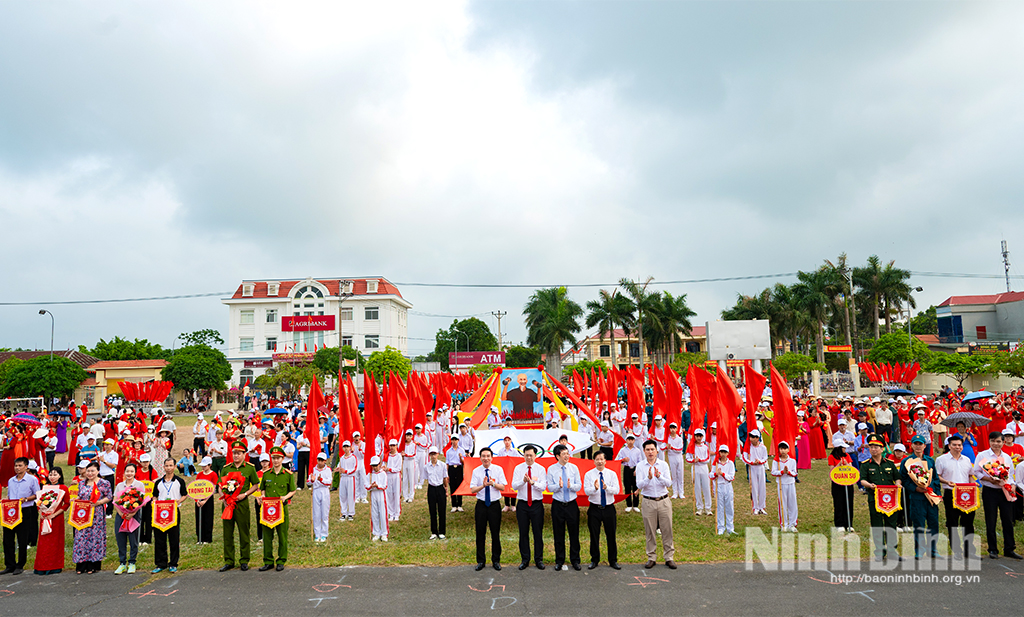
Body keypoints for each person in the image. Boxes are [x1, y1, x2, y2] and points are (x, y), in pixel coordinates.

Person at [973, 431, 1021, 559]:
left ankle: (1009, 549)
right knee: (991, 520)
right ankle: (993, 549)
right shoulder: (983, 455)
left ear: (1003, 442)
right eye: (993, 441)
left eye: (998, 441)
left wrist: (1012, 485)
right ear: (989, 442)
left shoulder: (1007, 457)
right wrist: (989, 479)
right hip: (990, 491)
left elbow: (1010, 475)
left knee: (1008, 520)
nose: (996, 444)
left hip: (1005, 490)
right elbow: (976, 472)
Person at [860, 435, 903, 562]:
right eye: (871, 447)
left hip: (891, 499)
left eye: (876, 447)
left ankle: (892, 551)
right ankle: (879, 551)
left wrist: (898, 483)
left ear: (882, 448)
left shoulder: (889, 463)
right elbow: (862, 480)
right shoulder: (865, 465)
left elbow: (897, 477)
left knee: (891, 524)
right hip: (875, 498)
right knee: (877, 525)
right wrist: (869, 485)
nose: (873, 449)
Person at [219, 440, 260, 572]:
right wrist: (224, 497)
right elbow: (220, 486)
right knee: (227, 533)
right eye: (234, 453)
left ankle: (244, 560)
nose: (236, 456)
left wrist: (246, 494)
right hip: (227, 505)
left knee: (244, 532)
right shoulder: (226, 468)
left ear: (244, 454)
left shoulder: (249, 468)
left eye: (239, 453)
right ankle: (229, 560)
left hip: (241, 503)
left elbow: (255, 485)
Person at [935, 434, 977, 560]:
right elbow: (937, 476)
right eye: (954, 445)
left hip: (967, 494)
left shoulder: (966, 460)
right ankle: (956, 550)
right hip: (951, 493)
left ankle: (969, 550)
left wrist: (972, 483)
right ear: (949, 446)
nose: (957, 447)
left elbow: (970, 475)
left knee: (968, 522)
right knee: (952, 522)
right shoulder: (941, 459)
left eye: (959, 445)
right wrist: (947, 482)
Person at [257, 447, 297, 571]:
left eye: (278, 458)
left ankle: (281, 560)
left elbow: (293, 490)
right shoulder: (267, 474)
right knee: (267, 536)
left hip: (281, 508)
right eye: (273, 458)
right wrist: (262, 495)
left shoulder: (288, 475)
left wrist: (286, 497)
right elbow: (262, 488)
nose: (275, 461)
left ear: (282, 459)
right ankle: (268, 561)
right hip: (267, 508)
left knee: (282, 535)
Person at [901, 435, 941, 559]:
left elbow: (935, 478)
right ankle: (919, 550)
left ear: (924, 446)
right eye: (916, 444)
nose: (918, 446)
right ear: (912, 445)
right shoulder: (906, 461)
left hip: (931, 497)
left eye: (920, 444)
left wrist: (935, 493)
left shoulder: (930, 460)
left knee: (933, 523)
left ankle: (933, 549)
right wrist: (916, 488)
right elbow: (904, 480)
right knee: (919, 524)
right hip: (916, 498)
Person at [637, 439, 674, 569]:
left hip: (663, 501)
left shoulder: (663, 465)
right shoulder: (640, 466)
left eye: (652, 449)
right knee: (650, 531)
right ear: (644, 451)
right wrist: (648, 478)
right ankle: (651, 557)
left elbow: (668, 483)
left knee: (667, 529)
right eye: (647, 450)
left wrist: (659, 477)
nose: (650, 452)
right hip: (648, 501)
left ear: (657, 450)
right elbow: (639, 485)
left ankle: (669, 557)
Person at [546, 443, 582, 571]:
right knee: (558, 533)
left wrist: (570, 485)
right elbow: (549, 487)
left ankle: (575, 560)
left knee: (574, 533)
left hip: (572, 504)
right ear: (557, 456)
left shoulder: (574, 468)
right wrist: (559, 486)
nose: (567, 456)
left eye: (568, 453)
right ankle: (559, 560)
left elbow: (579, 485)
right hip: (558, 505)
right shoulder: (551, 469)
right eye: (564, 454)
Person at [71, 461, 112, 574]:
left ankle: (93, 564)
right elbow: (81, 495)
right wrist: (75, 500)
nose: (90, 473)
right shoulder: (81, 483)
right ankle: (81, 564)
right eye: (88, 470)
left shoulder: (104, 483)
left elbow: (109, 497)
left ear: (98, 471)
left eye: (92, 470)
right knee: (81, 538)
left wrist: (99, 503)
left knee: (94, 538)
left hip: (96, 514)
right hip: (82, 514)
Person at [469, 447, 505, 571]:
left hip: (494, 505)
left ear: (492, 457)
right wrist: (483, 485)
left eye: (488, 456)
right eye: (483, 456)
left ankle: (496, 560)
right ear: (480, 458)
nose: (486, 458)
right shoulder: (476, 471)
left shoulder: (498, 469)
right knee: (480, 533)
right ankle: (480, 561)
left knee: (495, 533)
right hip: (481, 505)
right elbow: (473, 489)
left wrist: (493, 484)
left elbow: (503, 487)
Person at [511, 444, 547, 570]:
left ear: (535, 455)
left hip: (536, 504)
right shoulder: (518, 468)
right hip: (522, 504)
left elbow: (543, 486)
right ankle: (525, 559)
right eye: (526, 455)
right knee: (523, 533)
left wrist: (533, 482)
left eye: (531, 455)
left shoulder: (541, 469)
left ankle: (539, 559)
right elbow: (514, 486)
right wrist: (524, 481)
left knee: (537, 533)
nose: (529, 457)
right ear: (524, 455)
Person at [2, 457, 39, 575]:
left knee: (22, 538)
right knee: (7, 539)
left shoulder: (32, 479)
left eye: (20, 466)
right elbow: (9, 495)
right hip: (10, 510)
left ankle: (20, 564)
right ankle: (9, 564)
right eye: (16, 466)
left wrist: (26, 499)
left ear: (26, 467)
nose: (17, 468)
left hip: (25, 509)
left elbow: (37, 494)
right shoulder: (11, 480)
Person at [583, 450, 620, 569]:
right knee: (594, 535)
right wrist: (594, 488)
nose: (599, 461)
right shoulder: (589, 474)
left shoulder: (611, 474)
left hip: (609, 508)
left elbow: (617, 490)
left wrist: (607, 487)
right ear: (594, 461)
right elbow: (586, 491)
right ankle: (594, 559)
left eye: (601, 459)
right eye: (597, 459)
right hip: (594, 508)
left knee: (611, 535)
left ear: (605, 461)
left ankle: (613, 560)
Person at [32, 467, 69, 575]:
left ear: (60, 476)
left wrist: (54, 514)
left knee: (55, 541)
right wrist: (42, 513)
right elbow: (39, 502)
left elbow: (66, 503)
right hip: (44, 518)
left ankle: (55, 566)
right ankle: (41, 566)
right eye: (51, 474)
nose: (52, 476)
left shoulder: (63, 488)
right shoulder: (44, 487)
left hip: (56, 518)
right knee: (44, 541)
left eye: (55, 474)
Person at [112, 462, 145, 574]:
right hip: (121, 515)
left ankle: (132, 562)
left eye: (131, 471)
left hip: (133, 516)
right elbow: (115, 500)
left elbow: (141, 501)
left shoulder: (139, 485)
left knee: (133, 540)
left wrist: (133, 513)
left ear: (135, 472)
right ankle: (122, 563)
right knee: (120, 538)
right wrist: (121, 513)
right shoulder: (119, 485)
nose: (129, 473)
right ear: (124, 472)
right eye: (127, 471)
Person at [827, 435, 855, 532]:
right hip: (837, 484)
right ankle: (839, 524)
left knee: (849, 502)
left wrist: (847, 465)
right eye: (843, 447)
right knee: (839, 503)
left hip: (848, 482)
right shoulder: (831, 457)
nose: (845, 449)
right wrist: (838, 465)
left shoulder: (847, 456)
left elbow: (851, 467)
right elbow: (832, 471)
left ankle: (849, 524)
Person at [772, 442, 798, 531]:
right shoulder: (776, 461)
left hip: (790, 484)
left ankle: (792, 524)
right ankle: (784, 524)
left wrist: (789, 472)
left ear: (788, 450)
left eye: (785, 448)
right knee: (782, 504)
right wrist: (782, 472)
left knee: (792, 504)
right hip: (781, 484)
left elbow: (795, 473)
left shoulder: (792, 461)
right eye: (781, 449)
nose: (783, 451)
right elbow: (773, 472)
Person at [423, 446, 449, 539]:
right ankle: (434, 532)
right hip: (432, 488)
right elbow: (427, 479)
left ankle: (442, 531)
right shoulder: (426, 467)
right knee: (432, 510)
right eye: (432, 454)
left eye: (435, 454)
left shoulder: (442, 465)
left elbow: (445, 477)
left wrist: (446, 488)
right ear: (429, 455)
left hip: (440, 487)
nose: (433, 456)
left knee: (442, 510)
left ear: (438, 454)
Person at [710, 444, 736, 534]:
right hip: (719, 486)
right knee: (720, 507)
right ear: (719, 453)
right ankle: (721, 527)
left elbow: (732, 477)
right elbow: (711, 475)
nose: (723, 454)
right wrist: (715, 474)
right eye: (722, 452)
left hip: (728, 486)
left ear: (728, 453)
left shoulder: (730, 463)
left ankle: (730, 527)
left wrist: (723, 474)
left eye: (725, 452)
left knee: (729, 507)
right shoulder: (716, 463)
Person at [308, 451, 332, 542]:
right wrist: (312, 480)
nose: (320, 462)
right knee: (316, 513)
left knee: (324, 513)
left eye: (322, 460)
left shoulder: (328, 470)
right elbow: (308, 482)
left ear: (325, 461)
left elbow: (329, 482)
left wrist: (321, 480)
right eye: (319, 460)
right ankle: (317, 534)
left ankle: (324, 534)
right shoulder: (313, 469)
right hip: (316, 491)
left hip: (325, 491)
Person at [687, 428, 712, 515]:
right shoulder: (691, 446)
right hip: (695, 467)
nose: (698, 438)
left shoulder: (705, 447)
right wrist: (693, 460)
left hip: (703, 467)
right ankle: (699, 507)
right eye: (697, 436)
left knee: (706, 487)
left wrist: (700, 460)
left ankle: (708, 508)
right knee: (696, 487)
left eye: (700, 436)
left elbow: (708, 459)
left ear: (702, 437)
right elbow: (687, 457)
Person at [743, 430, 769, 515]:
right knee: (754, 487)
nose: (751, 439)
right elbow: (744, 457)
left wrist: (760, 461)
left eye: (753, 437)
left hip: (760, 468)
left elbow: (765, 458)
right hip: (752, 468)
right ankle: (755, 507)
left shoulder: (763, 447)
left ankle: (762, 507)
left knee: (762, 487)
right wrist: (751, 462)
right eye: (750, 437)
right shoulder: (748, 447)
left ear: (757, 438)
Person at [615, 434, 643, 512]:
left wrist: (636, 470)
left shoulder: (637, 450)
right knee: (627, 486)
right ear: (626, 440)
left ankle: (636, 505)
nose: (630, 441)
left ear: (634, 441)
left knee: (635, 486)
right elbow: (619, 459)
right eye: (629, 440)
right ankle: (629, 505)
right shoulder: (623, 450)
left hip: (634, 469)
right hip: (627, 469)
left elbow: (640, 461)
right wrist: (623, 459)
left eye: (632, 440)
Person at [194, 457, 217, 544]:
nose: (203, 468)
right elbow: (195, 486)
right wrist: (197, 500)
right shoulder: (199, 474)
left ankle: (207, 538)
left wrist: (205, 500)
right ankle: (200, 537)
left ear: (210, 465)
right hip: (199, 497)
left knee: (207, 518)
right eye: (202, 466)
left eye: (205, 466)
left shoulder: (213, 474)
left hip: (208, 499)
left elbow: (213, 489)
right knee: (199, 518)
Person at [365, 455, 389, 541]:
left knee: (382, 513)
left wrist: (377, 486)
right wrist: (371, 486)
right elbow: (366, 485)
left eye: (376, 465)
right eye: (373, 466)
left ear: (379, 464)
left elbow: (385, 485)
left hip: (381, 494)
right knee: (374, 513)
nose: (375, 467)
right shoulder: (370, 475)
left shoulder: (383, 474)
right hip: (373, 494)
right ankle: (376, 532)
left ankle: (384, 533)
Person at [336, 441, 358, 522]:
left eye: (347, 447)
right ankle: (344, 513)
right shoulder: (342, 458)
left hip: (350, 478)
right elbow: (339, 465)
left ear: (350, 447)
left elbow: (354, 468)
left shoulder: (353, 457)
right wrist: (338, 469)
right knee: (343, 495)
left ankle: (351, 513)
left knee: (350, 495)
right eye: (344, 447)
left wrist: (346, 471)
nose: (346, 448)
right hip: (343, 478)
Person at [98, 438, 119, 517]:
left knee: (109, 494)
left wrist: (104, 461)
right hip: (101, 475)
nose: (106, 446)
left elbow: (113, 465)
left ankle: (109, 512)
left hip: (109, 475)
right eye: (105, 444)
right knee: (100, 493)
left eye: (107, 444)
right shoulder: (101, 454)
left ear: (111, 446)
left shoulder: (114, 454)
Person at [446, 436, 465, 513]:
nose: (454, 442)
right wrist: (446, 474)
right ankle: (454, 505)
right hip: (451, 468)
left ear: (458, 440)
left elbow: (464, 462)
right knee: (452, 486)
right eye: (453, 440)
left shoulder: (461, 450)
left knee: (459, 486)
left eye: (455, 440)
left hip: (459, 468)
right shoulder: (448, 451)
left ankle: (459, 504)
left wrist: (461, 457)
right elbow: (447, 463)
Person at [385, 439, 403, 521]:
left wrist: (390, 469)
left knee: (396, 494)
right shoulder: (386, 456)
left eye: (393, 445)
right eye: (391, 446)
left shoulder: (398, 456)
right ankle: (391, 513)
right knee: (389, 494)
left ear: (396, 446)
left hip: (396, 476)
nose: (392, 447)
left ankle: (397, 513)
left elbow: (398, 468)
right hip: (388, 476)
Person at [666, 423, 685, 499]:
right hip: (671, 457)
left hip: (678, 457)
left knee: (680, 474)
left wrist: (672, 448)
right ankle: (675, 492)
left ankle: (681, 492)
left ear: (677, 429)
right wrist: (666, 447)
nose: (672, 429)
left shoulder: (679, 439)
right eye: (671, 428)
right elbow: (663, 447)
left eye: (674, 428)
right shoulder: (667, 438)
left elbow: (680, 449)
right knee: (673, 475)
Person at [401, 430, 418, 503]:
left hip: (411, 461)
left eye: (409, 436)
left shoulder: (413, 444)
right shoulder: (403, 444)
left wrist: (406, 455)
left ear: (412, 436)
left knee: (411, 478)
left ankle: (411, 495)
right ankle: (405, 496)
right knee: (404, 479)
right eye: (407, 436)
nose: (408, 437)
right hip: (405, 462)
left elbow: (413, 454)